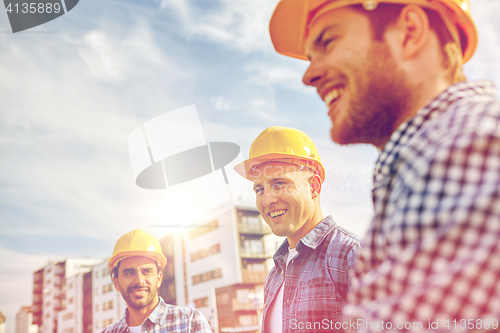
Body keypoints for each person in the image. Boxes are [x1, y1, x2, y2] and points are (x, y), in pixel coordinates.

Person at [269, 0, 500, 330]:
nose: (309, 75)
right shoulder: (420, 166)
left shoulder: (468, 148)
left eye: (328, 42)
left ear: (409, 32)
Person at [234, 126, 361, 332]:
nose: (268, 200)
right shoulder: (274, 278)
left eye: (279, 184)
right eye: (260, 189)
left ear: (314, 187)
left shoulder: (353, 255)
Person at [102, 229, 212, 333]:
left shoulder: (190, 323)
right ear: (116, 282)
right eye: (129, 273)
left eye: (147, 271)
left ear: (159, 278)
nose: (139, 281)